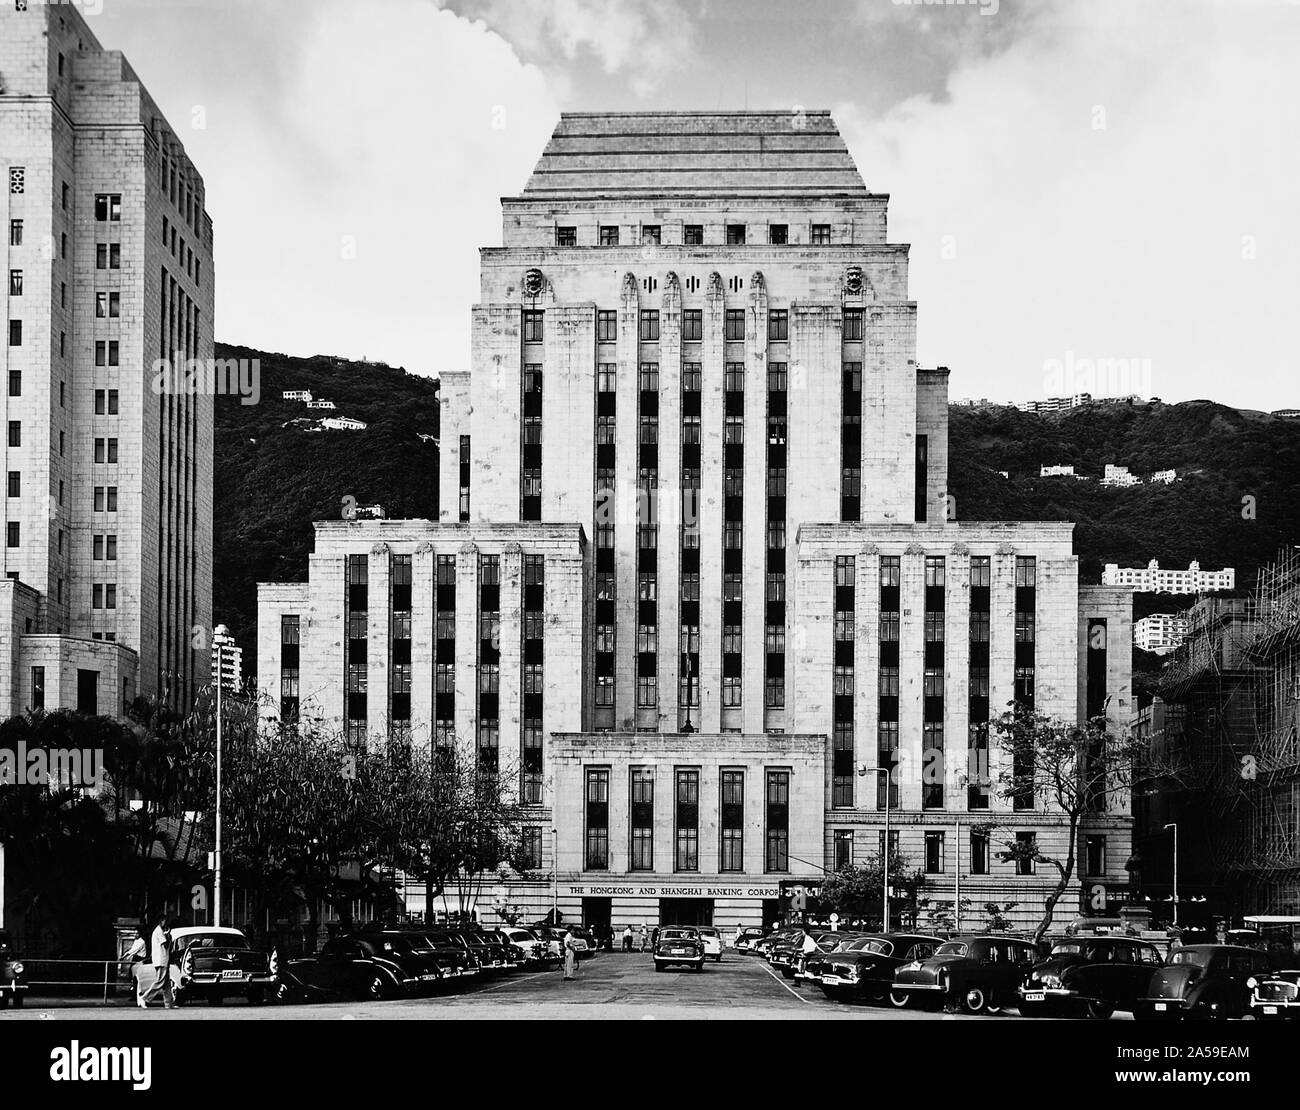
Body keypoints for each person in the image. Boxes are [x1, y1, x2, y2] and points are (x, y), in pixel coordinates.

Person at [139, 915, 176, 1009]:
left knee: (166, 984)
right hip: (161, 960)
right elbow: (166, 945)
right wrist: (168, 935)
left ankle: (169, 1003)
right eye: (165, 921)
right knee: (159, 982)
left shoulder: (159, 931)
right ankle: (145, 998)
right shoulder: (159, 931)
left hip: (163, 960)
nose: (166, 923)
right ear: (161, 921)